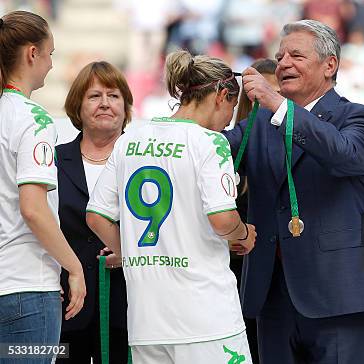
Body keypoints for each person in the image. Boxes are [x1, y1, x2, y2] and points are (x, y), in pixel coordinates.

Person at [223, 19, 364, 363]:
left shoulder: (360, 117)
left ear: (330, 65)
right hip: (270, 298)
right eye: (280, 55)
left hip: (340, 297)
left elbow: (344, 155)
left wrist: (277, 105)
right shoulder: (257, 124)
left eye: (295, 55)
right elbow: (212, 150)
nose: (283, 63)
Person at [85, 50, 256, 364]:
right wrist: (243, 232)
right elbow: (221, 220)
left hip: (146, 321)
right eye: (231, 110)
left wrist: (129, 251)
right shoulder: (209, 142)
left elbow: (96, 215)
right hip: (206, 317)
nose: (226, 123)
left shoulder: (130, 138)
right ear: (221, 95)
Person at [0, 10, 86, 358]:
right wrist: (74, 266)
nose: (51, 64)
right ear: (32, 54)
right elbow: (33, 210)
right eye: (50, 53)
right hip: (27, 289)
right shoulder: (32, 118)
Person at [56, 61, 133, 364]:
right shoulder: (53, 160)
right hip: (66, 303)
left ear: (126, 107)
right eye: (94, 96)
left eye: (113, 96)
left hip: (125, 305)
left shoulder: (142, 165)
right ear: (77, 105)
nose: (105, 104)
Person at [232, 57, 278, 364]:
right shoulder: (228, 150)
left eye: (276, 94)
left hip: (281, 285)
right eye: (260, 95)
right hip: (235, 288)